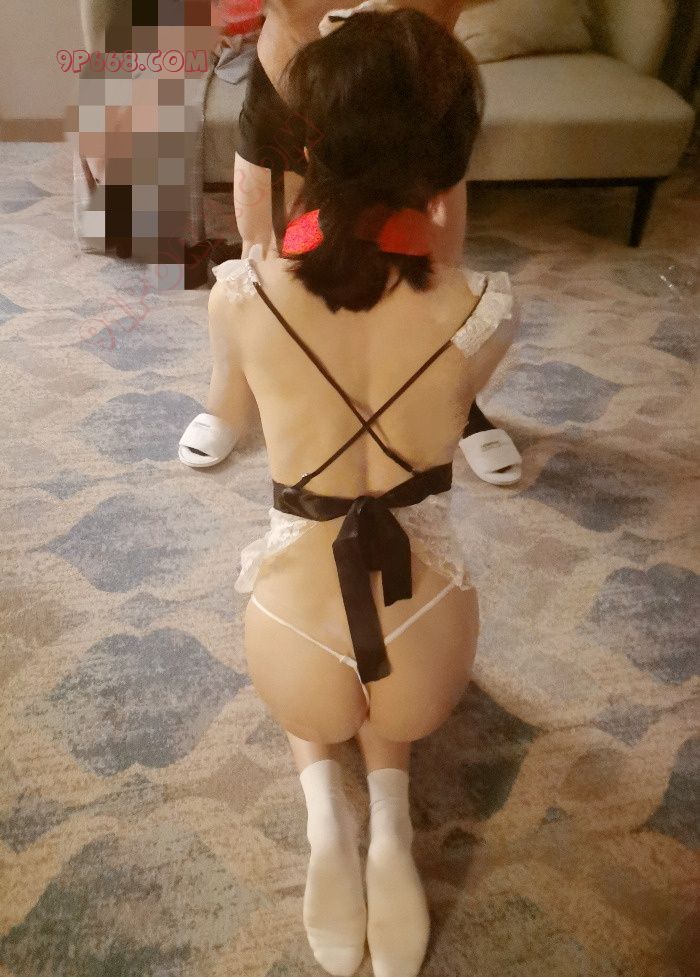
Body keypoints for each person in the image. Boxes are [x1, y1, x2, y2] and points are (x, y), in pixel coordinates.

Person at [195, 10, 518, 975]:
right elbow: (433, 280)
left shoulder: (241, 294)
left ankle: (326, 829)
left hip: (292, 635)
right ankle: (389, 828)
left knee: (319, 693)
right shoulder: (486, 310)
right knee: (392, 699)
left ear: (309, 148)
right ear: (449, 164)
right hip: (429, 640)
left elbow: (231, 414)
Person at [178, 0, 523, 484]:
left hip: (421, 101)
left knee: (434, 266)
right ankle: (231, 397)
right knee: (268, 264)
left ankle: (454, 398)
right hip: (296, 89)